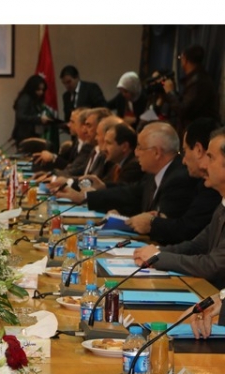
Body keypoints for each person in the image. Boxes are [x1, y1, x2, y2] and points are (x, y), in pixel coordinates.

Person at [133, 127, 225, 290]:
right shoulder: (222, 204)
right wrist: (157, 251)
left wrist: (158, 257)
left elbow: (213, 265)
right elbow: (196, 246)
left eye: (210, 157)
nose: (203, 164)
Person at [71, 122, 197, 218]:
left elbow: (163, 227)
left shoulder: (178, 179)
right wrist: (120, 214)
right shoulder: (152, 174)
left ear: (157, 152)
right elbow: (132, 194)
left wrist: (129, 221)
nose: (136, 153)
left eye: (140, 147)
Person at [127, 118, 221, 245]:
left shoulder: (189, 181)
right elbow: (198, 244)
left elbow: (189, 231)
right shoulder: (205, 185)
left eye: (211, 157)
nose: (183, 160)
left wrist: (153, 224)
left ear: (198, 150)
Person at [164, 45, 220, 135]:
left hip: (198, 132)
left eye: (181, 58)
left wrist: (170, 92)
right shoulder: (198, 78)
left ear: (185, 60)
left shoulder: (199, 81)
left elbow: (184, 109)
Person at [11, 74, 53, 145]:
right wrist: (39, 119)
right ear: (32, 88)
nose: (41, 92)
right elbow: (20, 116)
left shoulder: (35, 100)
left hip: (33, 134)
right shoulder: (25, 98)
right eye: (38, 89)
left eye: (43, 90)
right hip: (25, 136)